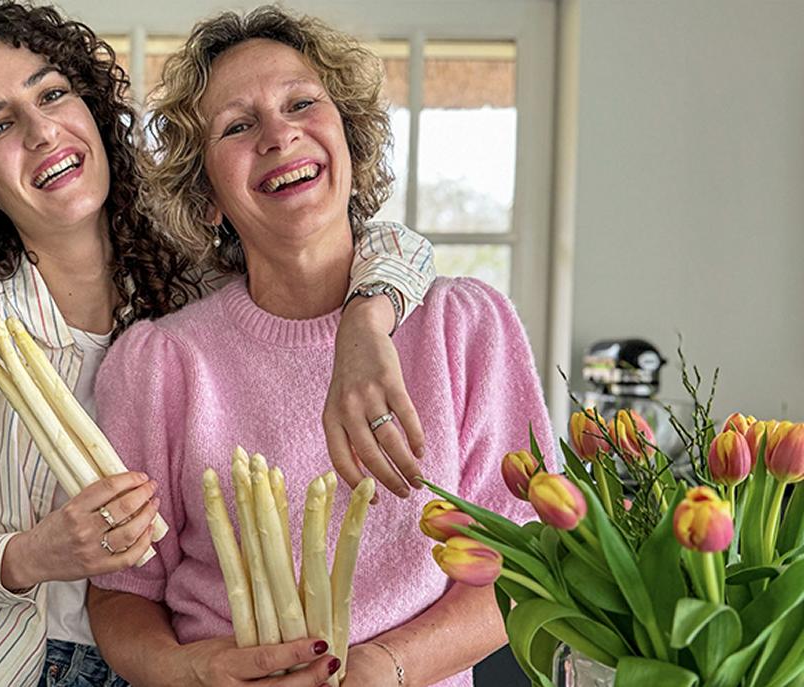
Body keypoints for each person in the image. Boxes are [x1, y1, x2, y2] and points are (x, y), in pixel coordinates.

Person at [0, 2, 438, 685]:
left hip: (158, 660)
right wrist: (35, 552)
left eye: (53, 94)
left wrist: (367, 321)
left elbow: (388, 241)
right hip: (9, 663)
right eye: (1, 124)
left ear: (93, 110)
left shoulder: (187, 280)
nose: (42, 131)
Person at [87, 7, 554, 687]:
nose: (279, 134)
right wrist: (195, 668)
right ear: (208, 194)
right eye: (238, 126)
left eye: (302, 103)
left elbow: (530, 564)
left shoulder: (465, 329)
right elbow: (123, 592)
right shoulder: (161, 362)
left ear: (351, 141)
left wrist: (380, 669)